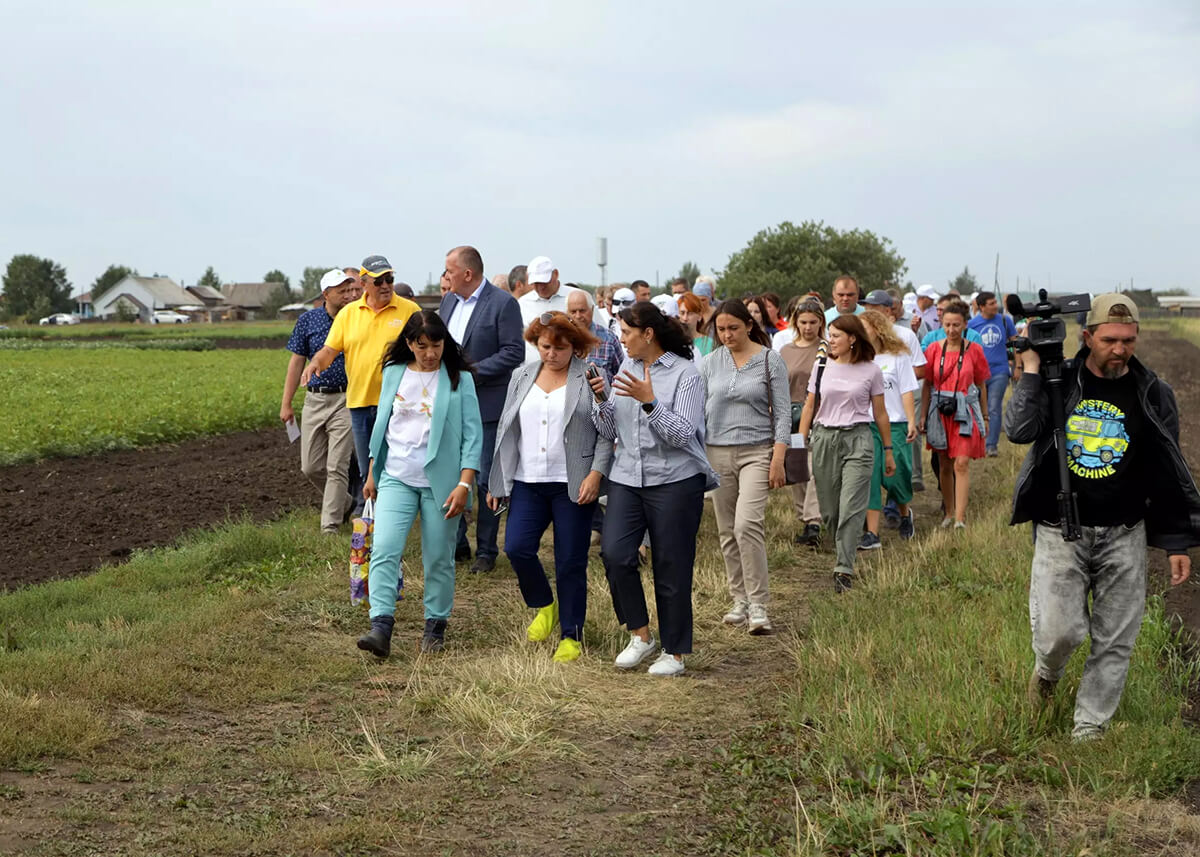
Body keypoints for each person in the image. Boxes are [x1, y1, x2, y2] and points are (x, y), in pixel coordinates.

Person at [1005, 294, 1198, 741]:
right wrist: (1032, 370)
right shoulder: (1061, 379)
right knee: (1058, 633)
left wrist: (1175, 542)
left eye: (1128, 340)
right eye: (1109, 339)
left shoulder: (1153, 393)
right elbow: (1018, 430)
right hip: (1060, 529)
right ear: (1087, 336)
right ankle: (1048, 673)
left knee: (1116, 638)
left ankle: (1089, 727)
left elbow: (1167, 468)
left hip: (1125, 531)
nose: (1120, 349)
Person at [589, 302, 716, 677]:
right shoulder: (626, 367)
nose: (621, 339)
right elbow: (611, 431)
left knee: (671, 564)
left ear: (648, 334)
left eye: (626, 332)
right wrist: (601, 397)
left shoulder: (686, 375)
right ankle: (640, 635)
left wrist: (650, 402)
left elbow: (682, 434)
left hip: (676, 479)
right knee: (614, 554)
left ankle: (674, 652)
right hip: (628, 475)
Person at [488, 312, 614, 663]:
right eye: (545, 347)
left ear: (575, 347)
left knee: (570, 561)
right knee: (516, 548)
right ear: (535, 343)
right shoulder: (522, 375)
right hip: (528, 481)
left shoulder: (591, 376)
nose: (551, 355)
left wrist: (596, 474)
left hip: (572, 482)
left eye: (560, 348)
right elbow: (506, 430)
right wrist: (499, 480)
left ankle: (571, 634)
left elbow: (608, 432)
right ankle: (545, 604)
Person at [356, 311, 483, 657]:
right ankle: (380, 626)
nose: (430, 353)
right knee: (384, 549)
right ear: (409, 344)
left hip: (442, 484)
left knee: (439, 557)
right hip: (396, 476)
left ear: (445, 344)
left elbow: (473, 436)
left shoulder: (459, 379)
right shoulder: (394, 372)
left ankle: (435, 627)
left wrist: (465, 483)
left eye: (436, 345)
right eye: (422, 345)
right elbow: (381, 426)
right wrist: (372, 471)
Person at [300, 255, 422, 513]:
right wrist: (315, 364)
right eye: (379, 281)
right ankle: (372, 519)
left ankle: (397, 513)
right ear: (364, 283)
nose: (386, 285)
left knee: (397, 461)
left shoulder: (409, 311)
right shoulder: (348, 314)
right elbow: (329, 350)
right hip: (359, 403)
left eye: (390, 279)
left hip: (398, 404)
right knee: (369, 466)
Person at [701, 301, 790, 634]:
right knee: (726, 530)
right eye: (721, 330)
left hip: (757, 451)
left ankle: (758, 604)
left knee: (747, 525)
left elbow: (782, 413)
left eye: (733, 328)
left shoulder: (770, 360)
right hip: (717, 452)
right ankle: (738, 598)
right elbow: (698, 410)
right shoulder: (709, 363)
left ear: (749, 326)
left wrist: (778, 457)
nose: (727, 335)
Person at [439, 245, 525, 573]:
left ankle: (486, 551)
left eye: (449, 270)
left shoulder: (502, 304)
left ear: (468, 274)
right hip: (451, 403)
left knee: (487, 477)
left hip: (487, 404)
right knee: (451, 472)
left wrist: (472, 372)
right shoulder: (448, 302)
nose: (445, 275)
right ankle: (457, 543)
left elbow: (514, 352)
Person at [796, 315, 893, 592]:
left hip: (858, 439)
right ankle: (842, 539)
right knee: (829, 509)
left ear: (852, 338)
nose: (830, 340)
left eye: (836, 335)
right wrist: (797, 444)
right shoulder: (821, 365)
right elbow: (809, 405)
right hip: (824, 438)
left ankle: (844, 567)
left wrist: (888, 451)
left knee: (852, 505)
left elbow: (881, 413)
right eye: (830, 334)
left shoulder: (871, 370)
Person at [280, 269, 357, 534]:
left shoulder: (357, 318)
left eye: (350, 289)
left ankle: (330, 526)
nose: (348, 295)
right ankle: (345, 502)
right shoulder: (307, 321)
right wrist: (286, 403)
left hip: (347, 398)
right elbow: (296, 361)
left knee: (337, 465)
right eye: (342, 291)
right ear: (326, 294)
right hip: (315, 398)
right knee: (310, 467)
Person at [918, 301, 989, 529]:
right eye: (947, 325)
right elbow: (927, 384)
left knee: (961, 463)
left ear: (965, 324)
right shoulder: (933, 349)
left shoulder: (974, 350)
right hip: (939, 410)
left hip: (965, 410)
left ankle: (960, 518)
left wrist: (985, 416)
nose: (951, 330)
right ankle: (948, 512)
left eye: (956, 325)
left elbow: (981, 384)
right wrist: (922, 417)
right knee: (945, 464)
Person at [857, 310, 919, 546]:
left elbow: (906, 391)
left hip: (896, 422)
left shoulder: (898, 356)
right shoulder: (860, 358)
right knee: (871, 476)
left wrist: (911, 420)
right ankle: (872, 533)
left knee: (894, 476)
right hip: (867, 424)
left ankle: (905, 513)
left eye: (865, 327)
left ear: (878, 328)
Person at [865, 289, 928, 502]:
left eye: (874, 308)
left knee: (895, 474)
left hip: (897, 413)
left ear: (887, 309)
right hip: (869, 420)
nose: (869, 311)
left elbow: (920, 370)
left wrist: (898, 377)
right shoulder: (860, 343)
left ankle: (899, 507)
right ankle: (871, 528)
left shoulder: (905, 336)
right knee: (872, 474)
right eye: (867, 307)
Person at [779, 299, 825, 546]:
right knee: (797, 466)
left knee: (815, 467)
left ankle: (814, 520)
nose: (808, 327)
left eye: (813, 322)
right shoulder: (786, 350)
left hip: (818, 412)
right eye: (804, 322)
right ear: (796, 322)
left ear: (821, 323)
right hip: (791, 413)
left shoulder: (826, 349)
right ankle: (804, 519)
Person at [967, 291, 1018, 456]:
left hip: (999, 371)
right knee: (977, 408)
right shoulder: (971, 324)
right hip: (977, 374)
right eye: (991, 303)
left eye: (996, 302)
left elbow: (1015, 342)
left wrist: (1017, 366)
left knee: (994, 407)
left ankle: (991, 445)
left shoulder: (1005, 320)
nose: (995, 306)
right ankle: (977, 442)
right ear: (981, 307)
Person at [517, 256, 578, 360]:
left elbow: (599, 331)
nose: (541, 287)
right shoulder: (522, 303)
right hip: (532, 371)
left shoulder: (577, 298)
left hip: (570, 370)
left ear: (556, 274)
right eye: (536, 283)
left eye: (544, 282)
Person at [566, 289, 623, 382]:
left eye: (582, 311)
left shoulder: (608, 339)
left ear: (592, 309)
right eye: (573, 312)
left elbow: (621, 377)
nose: (578, 316)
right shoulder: (562, 339)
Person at [677, 292, 715, 363]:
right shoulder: (673, 342)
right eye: (682, 313)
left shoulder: (709, 344)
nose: (685, 318)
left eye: (690, 313)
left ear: (700, 316)